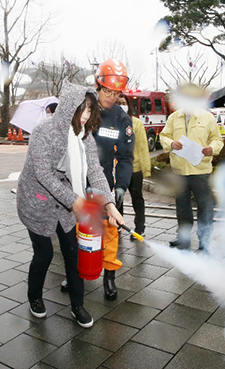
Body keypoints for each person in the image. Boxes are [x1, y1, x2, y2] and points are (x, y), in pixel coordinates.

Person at [17, 81, 125, 328]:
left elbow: (95, 170)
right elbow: (44, 174)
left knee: (73, 253)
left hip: (66, 206)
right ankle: (34, 296)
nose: (86, 116)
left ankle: (78, 306)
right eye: (82, 110)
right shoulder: (44, 131)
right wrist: (74, 200)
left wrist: (109, 204)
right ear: (68, 108)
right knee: (43, 255)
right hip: (37, 204)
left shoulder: (83, 134)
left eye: (90, 110)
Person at [159, 84, 223, 252]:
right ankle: (184, 238)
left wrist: (212, 148)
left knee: (205, 206)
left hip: (200, 171)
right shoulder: (173, 118)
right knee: (182, 207)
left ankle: (204, 241)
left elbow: (217, 140)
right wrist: (171, 143)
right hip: (180, 171)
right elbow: (164, 137)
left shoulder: (207, 117)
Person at [92, 59, 134, 300]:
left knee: (110, 233)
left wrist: (121, 186)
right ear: (98, 85)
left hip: (106, 184)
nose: (112, 96)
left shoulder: (121, 119)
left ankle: (109, 276)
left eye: (116, 92)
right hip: (78, 183)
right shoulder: (84, 109)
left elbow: (126, 157)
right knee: (76, 231)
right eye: (108, 91)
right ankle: (76, 270)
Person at [116, 95, 151, 240]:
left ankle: (140, 228)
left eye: (124, 103)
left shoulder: (136, 123)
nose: (121, 105)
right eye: (118, 103)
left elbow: (143, 147)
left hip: (134, 168)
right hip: (117, 169)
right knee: (117, 199)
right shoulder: (110, 122)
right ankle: (117, 225)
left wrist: (146, 169)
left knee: (137, 199)